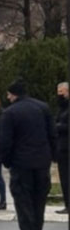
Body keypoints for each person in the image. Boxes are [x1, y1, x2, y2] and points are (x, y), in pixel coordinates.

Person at [0, 80, 56, 230]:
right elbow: (52, 134)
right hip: (42, 162)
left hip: (21, 163)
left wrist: (6, 161)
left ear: (13, 94)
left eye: (8, 94)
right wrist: (52, 156)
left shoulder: (10, 113)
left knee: (23, 202)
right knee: (39, 200)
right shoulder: (43, 108)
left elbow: (5, 141)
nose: (8, 97)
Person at [55, 82, 69, 214]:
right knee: (64, 178)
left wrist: (57, 127)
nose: (59, 95)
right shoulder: (61, 108)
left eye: (62, 92)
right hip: (61, 147)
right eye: (58, 92)